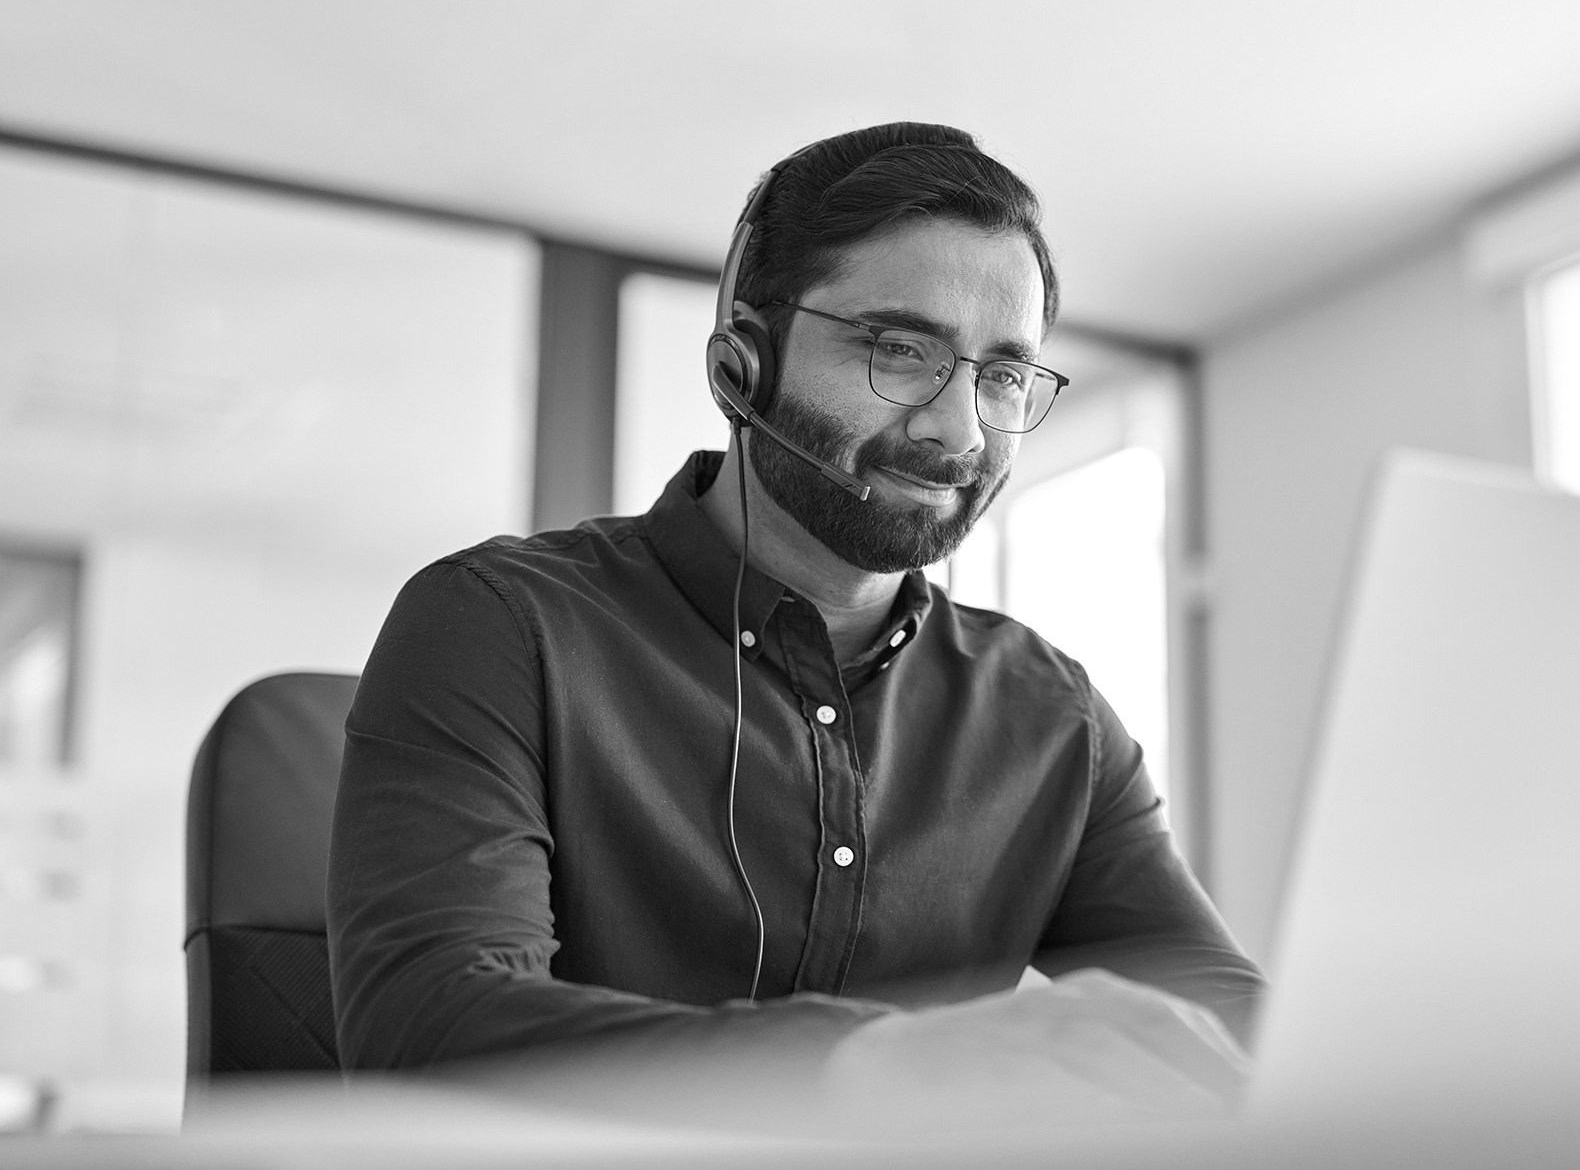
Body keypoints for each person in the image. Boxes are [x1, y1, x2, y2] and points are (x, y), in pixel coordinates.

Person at [327, 122, 1262, 1123]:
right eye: (900, 350)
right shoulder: (501, 625)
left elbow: (1229, 1031)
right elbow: (426, 1028)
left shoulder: (1050, 716)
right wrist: (873, 1062)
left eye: (999, 374)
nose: (958, 429)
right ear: (743, 360)